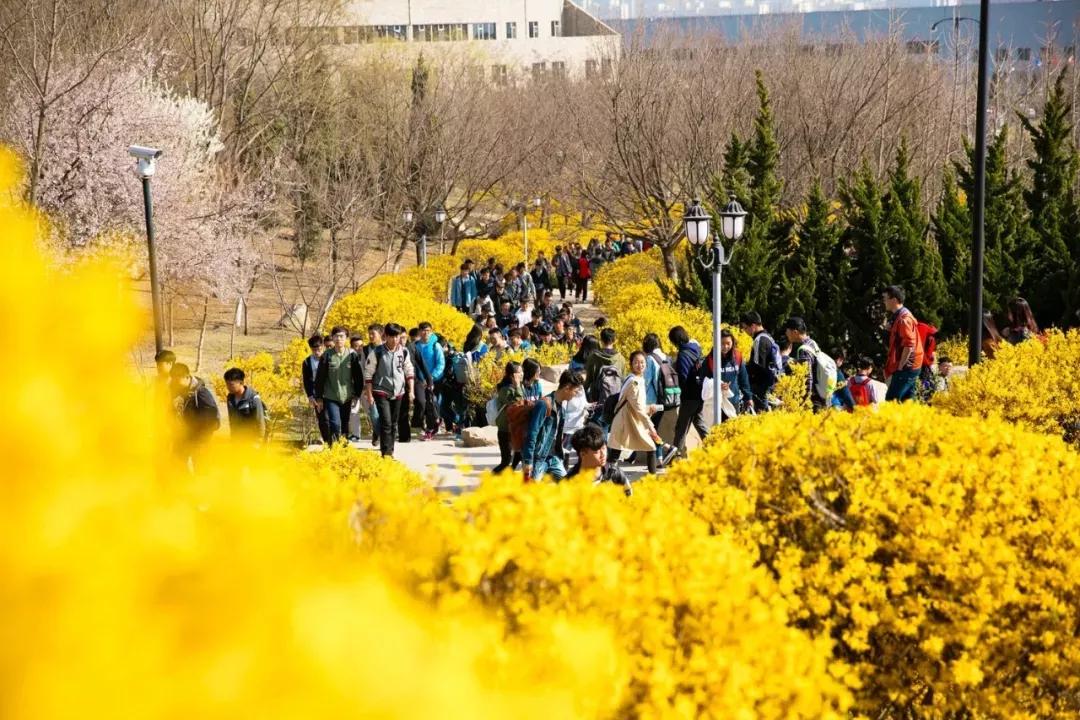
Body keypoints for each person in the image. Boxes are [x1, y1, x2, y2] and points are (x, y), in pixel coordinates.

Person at [608, 351, 678, 473]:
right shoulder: (634, 382)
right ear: (631, 364)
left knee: (620, 449)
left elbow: (637, 405)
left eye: (642, 362)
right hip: (626, 421)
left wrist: (649, 408)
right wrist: (650, 426)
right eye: (636, 362)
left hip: (631, 420)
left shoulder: (638, 379)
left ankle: (609, 477)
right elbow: (639, 408)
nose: (640, 365)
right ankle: (607, 478)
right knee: (618, 450)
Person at [363, 323, 415, 458]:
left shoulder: (404, 351)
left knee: (393, 423)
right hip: (381, 391)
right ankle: (386, 453)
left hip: (398, 391)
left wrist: (411, 391)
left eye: (397, 336)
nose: (394, 339)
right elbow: (368, 374)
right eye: (391, 336)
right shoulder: (377, 352)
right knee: (386, 422)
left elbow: (409, 370)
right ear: (385, 336)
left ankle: (390, 451)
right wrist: (369, 394)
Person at [522, 371, 584, 483]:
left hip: (553, 458)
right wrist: (528, 461)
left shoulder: (562, 409)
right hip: (538, 459)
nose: (576, 395)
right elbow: (532, 434)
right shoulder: (544, 405)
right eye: (575, 391)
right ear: (567, 388)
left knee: (568, 486)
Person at [314, 326, 363, 443]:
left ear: (346, 338)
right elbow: (320, 378)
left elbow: (358, 377)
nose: (338, 339)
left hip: (347, 396)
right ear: (332, 338)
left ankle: (343, 447)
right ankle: (335, 447)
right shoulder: (327, 355)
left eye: (341, 336)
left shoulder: (352, 355)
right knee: (335, 423)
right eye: (336, 336)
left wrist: (357, 395)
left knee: (345, 423)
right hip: (331, 396)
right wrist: (319, 397)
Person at [669, 325, 707, 456]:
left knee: (681, 427)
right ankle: (714, 446)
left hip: (689, 396)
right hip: (699, 393)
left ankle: (676, 456)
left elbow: (684, 377)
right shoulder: (696, 349)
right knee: (699, 424)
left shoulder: (683, 354)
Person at [170, 362, 220, 462]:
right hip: (183, 437)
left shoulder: (201, 393)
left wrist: (201, 440)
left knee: (200, 468)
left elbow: (213, 419)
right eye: (173, 379)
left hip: (200, 439)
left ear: (187, 377)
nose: (174, 382)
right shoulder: (179, 390)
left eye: (177, 379)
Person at [565, 424, 633, 497]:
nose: (603, 454)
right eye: (597, 451)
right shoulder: (570, 482)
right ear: (583, 453)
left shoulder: (613, 473)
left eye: (604, 448)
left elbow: (629, 496)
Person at [882, 286, 924, 403]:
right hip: (911, 365)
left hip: (907, 366)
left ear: (894, 300)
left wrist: (900, 366)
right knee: (907, 401)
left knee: (892, 400)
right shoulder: (899, 316)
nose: (883, 301)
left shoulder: (903, 319)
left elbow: (909, 345)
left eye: (885, 298)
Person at [739, 311, 783, 412]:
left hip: (761, 387)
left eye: (746, 328)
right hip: (770, 384)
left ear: (753, 326)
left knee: (761, 414)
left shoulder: (759, 340)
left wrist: (742, 370)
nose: (745, 331)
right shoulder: (768, 337)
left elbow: (758, 366)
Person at [783, 317, 829, 411]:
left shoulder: (804, 349)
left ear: (795, 332)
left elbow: (808, 377)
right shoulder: (813, 343)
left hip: (812, 401)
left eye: (787, 331)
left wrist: (804, 401)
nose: (786, 333)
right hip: (820, 396)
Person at [709, 329, 753, 420]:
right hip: (717, 403)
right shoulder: (710, 359)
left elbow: (743, 378)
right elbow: (705, 380)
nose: (725, 346)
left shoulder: (737, 356)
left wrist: (748, 397)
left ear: (732, 342)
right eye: (722, 343)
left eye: (728, 343)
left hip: (734, 401)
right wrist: (718, 385)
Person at [492, 361, 525, 473]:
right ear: (512, 375)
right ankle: (490, 480)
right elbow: (518, 404)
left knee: (518, 455)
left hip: (515, 428)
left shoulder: (516, 387)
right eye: (519, 372)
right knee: (506, 461)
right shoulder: (505, 389)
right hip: (505, 429)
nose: (522, 374)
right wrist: (518, 386)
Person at [416, 321, 445, 439]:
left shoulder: (435, 345)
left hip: (434, 379)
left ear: (431, 331)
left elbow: (440, 363)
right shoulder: (416, 346)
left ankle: (431, 427)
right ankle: (429, 425)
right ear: (419, 332)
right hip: (420, 380)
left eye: (428, 331)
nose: (425, 333)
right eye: (423, 330)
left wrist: (431, 378)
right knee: (423, 403)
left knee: (432, 402)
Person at [301, 334, 331, 444]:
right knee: (322, 419)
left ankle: (337, 441)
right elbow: (307, 380)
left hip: (331, 392)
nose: (317, 352)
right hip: (317, 394)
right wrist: (310, 396)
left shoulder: (329, 358)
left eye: (319, 349)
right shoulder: (307, 362)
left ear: (323, 347)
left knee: (333, 418)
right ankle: (327, 441)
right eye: (314, 349)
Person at [223, 367, 267, 442]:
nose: (228, 387)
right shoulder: (230, 398)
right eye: (227, 384)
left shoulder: (253, 398)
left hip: (251, 442)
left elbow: (260, 422)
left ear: (241, 383)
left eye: (231, 384)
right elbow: (232, 421)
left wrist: (258, 442)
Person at [403, 327, 430, 445]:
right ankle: (403, 431)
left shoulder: (412, 348)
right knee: (403, 407)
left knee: (421, 401)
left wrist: (429, 379)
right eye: (400, 337)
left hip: (416, 379)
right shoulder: (393, 349)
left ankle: (417, 423)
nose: (402, 340)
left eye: (404, 337)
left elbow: (422, 364)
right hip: (401, 381)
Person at [584, 327, 627, 394]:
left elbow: (589, 380)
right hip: (615, 397)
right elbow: (623, 380)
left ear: (601, 340)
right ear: (614, 340)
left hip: (597, 398)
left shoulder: (593, 357)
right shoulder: (621, 359)